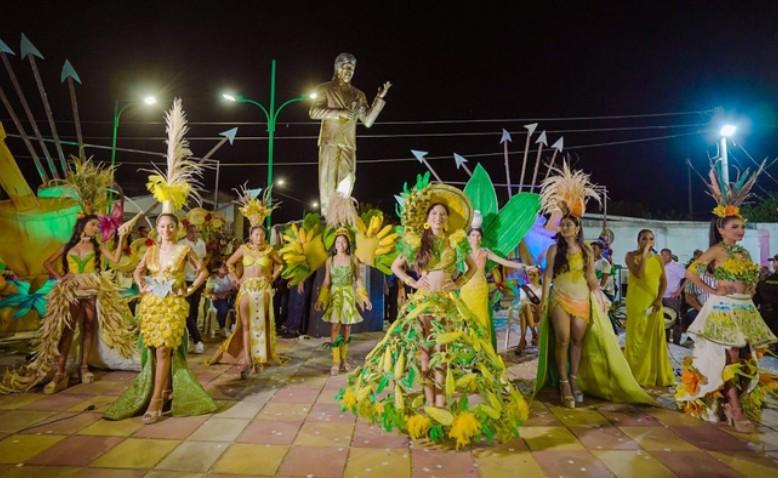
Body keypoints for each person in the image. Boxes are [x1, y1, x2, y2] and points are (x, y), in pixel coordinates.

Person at [338, 181, 528, 447]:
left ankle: (441, 400)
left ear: (448, 219)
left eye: (442, 214)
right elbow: (396, 266)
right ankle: (429, 400)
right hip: (424, 303)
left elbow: (472, 267)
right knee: (425, 353)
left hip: (447, 302)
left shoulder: (456, 241)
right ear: (427, 219)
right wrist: (414, 282)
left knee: (443, 352)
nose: (438, 217)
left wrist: (459, 282)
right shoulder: (417, 241)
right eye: (434, 214)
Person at [105, 98, 217, 424]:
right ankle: (164, 390)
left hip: (173, 306)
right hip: (152, 304)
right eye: (162, 225)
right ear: (158, 227)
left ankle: (156, 401)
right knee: (153, 351)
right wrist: (142, 286)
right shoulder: (151, 250)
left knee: (166, 349)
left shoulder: (184, 250)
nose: (166, 229)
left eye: (170, 225)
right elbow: (138, 270)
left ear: (177, 228)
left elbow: (204, 271)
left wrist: (189, 290)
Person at [535, 162, 654, 408]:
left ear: (577, 228)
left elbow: (591, 278)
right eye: (563, 224)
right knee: (563, 339)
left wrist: (599, 296)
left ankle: (576, 378)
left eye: (570, 224)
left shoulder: (588, 251)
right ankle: (564, 382)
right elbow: (547, 277)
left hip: (581, 301)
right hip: (559, 298)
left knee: (578, 341)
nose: (566, 227)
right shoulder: (554, 250)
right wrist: (544, 300)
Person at [675, 161, 777, 432]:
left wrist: (751, 287)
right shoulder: (717, 250)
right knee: (730, 355)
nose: (740, 231)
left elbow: (750, 276)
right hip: (723, 309)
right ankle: (734, 408)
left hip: (744, 309)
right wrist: (712, 289)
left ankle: (730, 403)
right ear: (721, 229)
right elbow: (691, 271)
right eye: (734, 227)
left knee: (746, 355)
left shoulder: (742, 252)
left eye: (741, 227)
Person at [0, 215, 136, 394]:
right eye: (93, 224)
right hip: (71, 289)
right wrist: (60, 277)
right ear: (82, 226)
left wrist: (123, 238)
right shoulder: (68, 246)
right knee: (67, 329)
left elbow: (116, 260)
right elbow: (47, 263)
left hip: (91, 288)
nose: (96, 228)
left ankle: (84, 367)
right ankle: (59, 372)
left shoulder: (97, 246)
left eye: (97, 225)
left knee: (88, 327)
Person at [207, 187, 283, 378]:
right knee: (247, 324)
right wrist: (236, 278)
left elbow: (281, 265)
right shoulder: (243, 249)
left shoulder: (269, 250)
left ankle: (261, 357)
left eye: (262, 235)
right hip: (247, 289)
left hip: (263, 289)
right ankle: (247, 359)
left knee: (262, 324)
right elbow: (229, 263)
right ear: (251, 235)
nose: (259, 237)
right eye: (256, 235)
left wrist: (272, 277)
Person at [310, 52, 391, 215]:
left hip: (348, 143)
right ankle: (328, 217)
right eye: (346, 67)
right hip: (329, 141)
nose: (349, 71)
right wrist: (339, 112)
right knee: (328, 181)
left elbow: (367, 121)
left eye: (352, 68)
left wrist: (379, 98)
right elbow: (313, 112)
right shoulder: (325, 89)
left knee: (348, 179)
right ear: (338, 68)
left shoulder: (358, 94)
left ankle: (342, 214)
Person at [460, 219, 532, 351]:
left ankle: (481, 354)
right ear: (468, 238)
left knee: (481, 321)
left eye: (478, 236)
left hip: (480, 290)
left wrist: (525, 267)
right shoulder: (464, 252)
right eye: (473, 235)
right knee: (466, 320)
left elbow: (506, 263)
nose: (476, 238)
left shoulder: (485, 252)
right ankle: (467, 353)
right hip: (466, 289)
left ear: (481, 238)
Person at [315, 230, 371, 375]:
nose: (341, 244)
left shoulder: (353, 259)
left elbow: (358, 279)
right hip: (335, 296)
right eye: (338, 241)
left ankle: (344, 358)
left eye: (344, 241)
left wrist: (364, 298)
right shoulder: (330, 260)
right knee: (334, 327)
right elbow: (327, 281)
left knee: (347, 328)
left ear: (348, 244)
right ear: (335, 244)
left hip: (348, 295)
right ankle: (336, 361)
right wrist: (321, 299)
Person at [624, 230, 675, 387]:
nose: (647, 241)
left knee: (655, 336)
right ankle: (635, 373)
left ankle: (655, 373)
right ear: (638, 240)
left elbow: (664, 281)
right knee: (637, 337)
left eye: (651, 239)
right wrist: (645, 254)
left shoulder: (658, 259)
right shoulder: (631, 256)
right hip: (637, 301)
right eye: (644, 238)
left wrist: (659, 299)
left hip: (654, 302)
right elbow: (639, 274)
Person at [179, 224, 207, 354]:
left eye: (196, 232)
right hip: (183, 280)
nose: (194, 234)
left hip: (196, 280)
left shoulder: (201, 243)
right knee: (187, 310)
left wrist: (200, 271)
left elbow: (202, 260)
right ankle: (197, 338)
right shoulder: (181, 244)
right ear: (187, 232)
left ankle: (193, 334)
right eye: (192, 232)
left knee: (194, 308)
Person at [660, 248, 686, 343]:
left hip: (672, 298)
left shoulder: (677, 266)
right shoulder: (660, 266)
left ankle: (676, 341)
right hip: (660, 297)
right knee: (664, 319)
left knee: (675, 320)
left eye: (666, 255)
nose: (663, 257)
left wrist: (679, 290)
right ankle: (665, 340)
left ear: (670, 255)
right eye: (662, 255)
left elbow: (687, 278)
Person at [516, 267, 542, 355]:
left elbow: (546, 302)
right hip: (529, 312)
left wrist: (535, 306)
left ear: (539, 275)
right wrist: (533, 305)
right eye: (530, 274)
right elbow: (523, 301)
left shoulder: (544, 288)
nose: (532, 277)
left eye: (534, 274)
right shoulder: (524, 288)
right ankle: (534, 333)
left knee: (524, 311)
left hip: (539, 314)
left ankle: (522, 341)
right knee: (525, 307)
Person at [206, 261, 234, 336]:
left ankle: (234, 326)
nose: (225, 268)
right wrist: (216, 295)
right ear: (217, 269)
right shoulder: (213, 279)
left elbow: (234, 288)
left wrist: (227, 293)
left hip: (230, 297)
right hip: (218, 299)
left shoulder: (230, 276)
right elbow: (208, 292)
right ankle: (222, 327)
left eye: (226, 266)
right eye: (223, 267)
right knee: (223, 308)